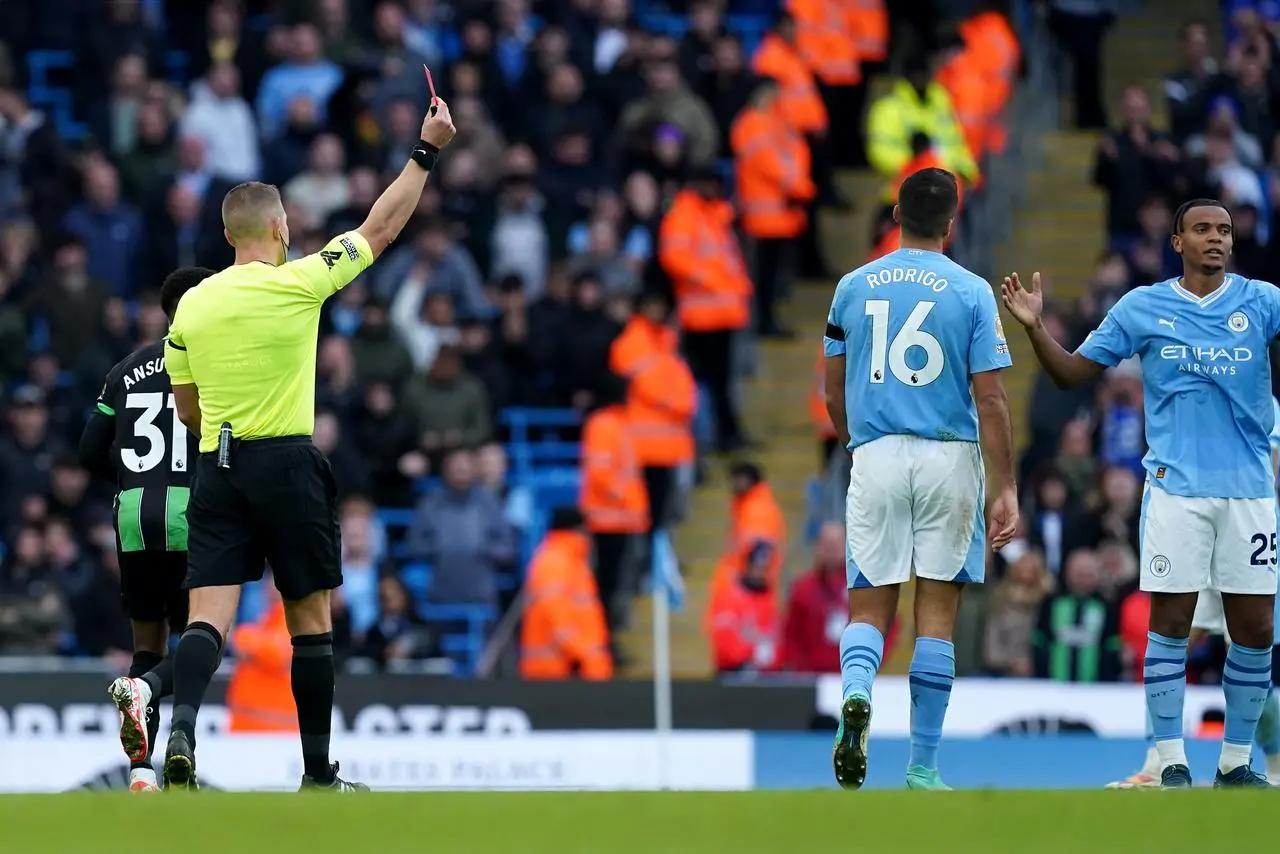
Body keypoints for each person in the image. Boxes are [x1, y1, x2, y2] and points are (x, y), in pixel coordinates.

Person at [157, 96, 457, 791]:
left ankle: (177, 728)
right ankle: (319, 775)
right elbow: (380, 229)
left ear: (229, 234)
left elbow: (187, 406)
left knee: (208, 618)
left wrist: (218, 442)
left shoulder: (191, 306)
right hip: (286, 463)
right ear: (279, 226)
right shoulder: (300, 283)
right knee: (310, 621)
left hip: (218, 467)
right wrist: (425, 150)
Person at [1002, 199, 1279, 789]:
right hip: (1175, 490)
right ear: (1176, 241)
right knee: (1171, 623)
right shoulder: (1143, 306)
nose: (1216, 239)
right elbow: (1072, 373)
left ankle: (1235, 762)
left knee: (1255, 627)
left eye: (1224, 231)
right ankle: (1169, 758)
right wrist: (1033, 328)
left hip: (1251, 492)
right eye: (1202, 229)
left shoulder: (1262, 302)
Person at [824, 167, 1017, 791]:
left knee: (870, 606)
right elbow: (990, 401)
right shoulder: (971, 291)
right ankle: (923, 768)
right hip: (948, 458)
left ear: (896, 215)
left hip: (876, 450)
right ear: (952, 223)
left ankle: (857, 694)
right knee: (936, 615)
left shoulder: (852, 288)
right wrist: (1004, 486)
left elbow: (832, 389)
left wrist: (860, 441)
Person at [77, 266, 212, 793]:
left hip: (132, 514)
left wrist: (134, 476)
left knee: (147, 644)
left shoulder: (124, 369)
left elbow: (88, 450)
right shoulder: (211, 365)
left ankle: (140, 770)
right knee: (204, 637)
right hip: (191, 512)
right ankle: (184, 751)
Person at [1109, 394, 1280, 788]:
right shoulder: (1187, 387)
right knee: (1171, 645)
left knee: (1251, 652)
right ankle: (1158, 761)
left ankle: (1269, 755)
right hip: (1193, 533)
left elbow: (1266, 468)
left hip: (1243, 535)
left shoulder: (1258, 394)